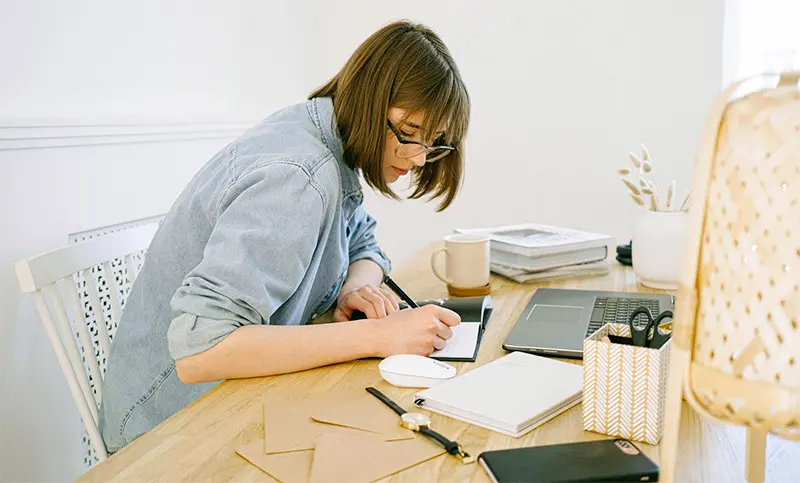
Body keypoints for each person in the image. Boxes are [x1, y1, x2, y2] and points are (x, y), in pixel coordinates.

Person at [98, 19, 470, 453]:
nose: (420, 159)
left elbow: (363, 240)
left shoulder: (326, 138)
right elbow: (201, 350)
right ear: (371, 99)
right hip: (167, 429)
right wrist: (380, 336)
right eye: (409, 135)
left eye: (433, 144)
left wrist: (358, 289)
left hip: (233, 398)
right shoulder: (298, 177)